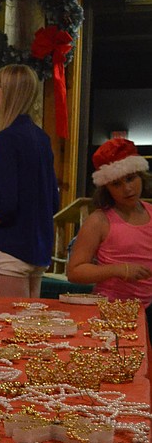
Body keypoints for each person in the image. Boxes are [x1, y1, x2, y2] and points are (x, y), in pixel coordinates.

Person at [0, 63, 60, 299]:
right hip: (37, 249)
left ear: (8, 93)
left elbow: (6, 205)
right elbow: (53, 202)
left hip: (11, 247)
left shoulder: (6, 139)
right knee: (28, 331)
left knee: (8, 328)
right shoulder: (42, 138)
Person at [66, 137, 152, 335]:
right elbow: (75, 271)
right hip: (110, 313)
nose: (127, 189)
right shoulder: (99, 221)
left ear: (141, 176)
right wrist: (118, 270)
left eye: (131, 179)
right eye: (116, 184)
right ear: (106, 188)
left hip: (147, 310)